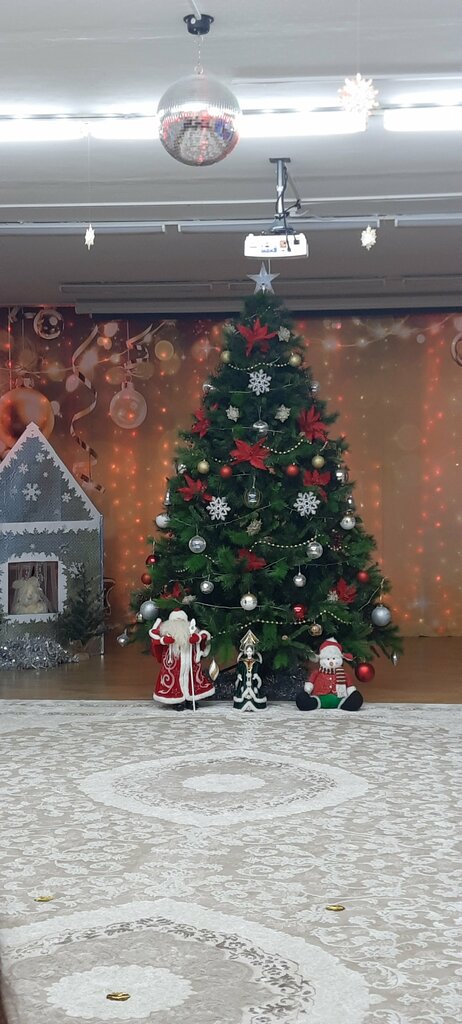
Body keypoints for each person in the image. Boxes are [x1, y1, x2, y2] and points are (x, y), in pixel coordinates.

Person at [149, 609, 215, 709]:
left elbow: (204, 635)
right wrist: (164, 640)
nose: (178, 623)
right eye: (176, 621)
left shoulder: (191, 630)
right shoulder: (165, 632)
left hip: (191, 664)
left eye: (181, 621)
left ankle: (191, 699)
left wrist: (197, 638)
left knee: (192, 680)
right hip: (173, 664)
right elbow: (155, 637)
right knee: (174, 681)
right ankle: (176, 701)